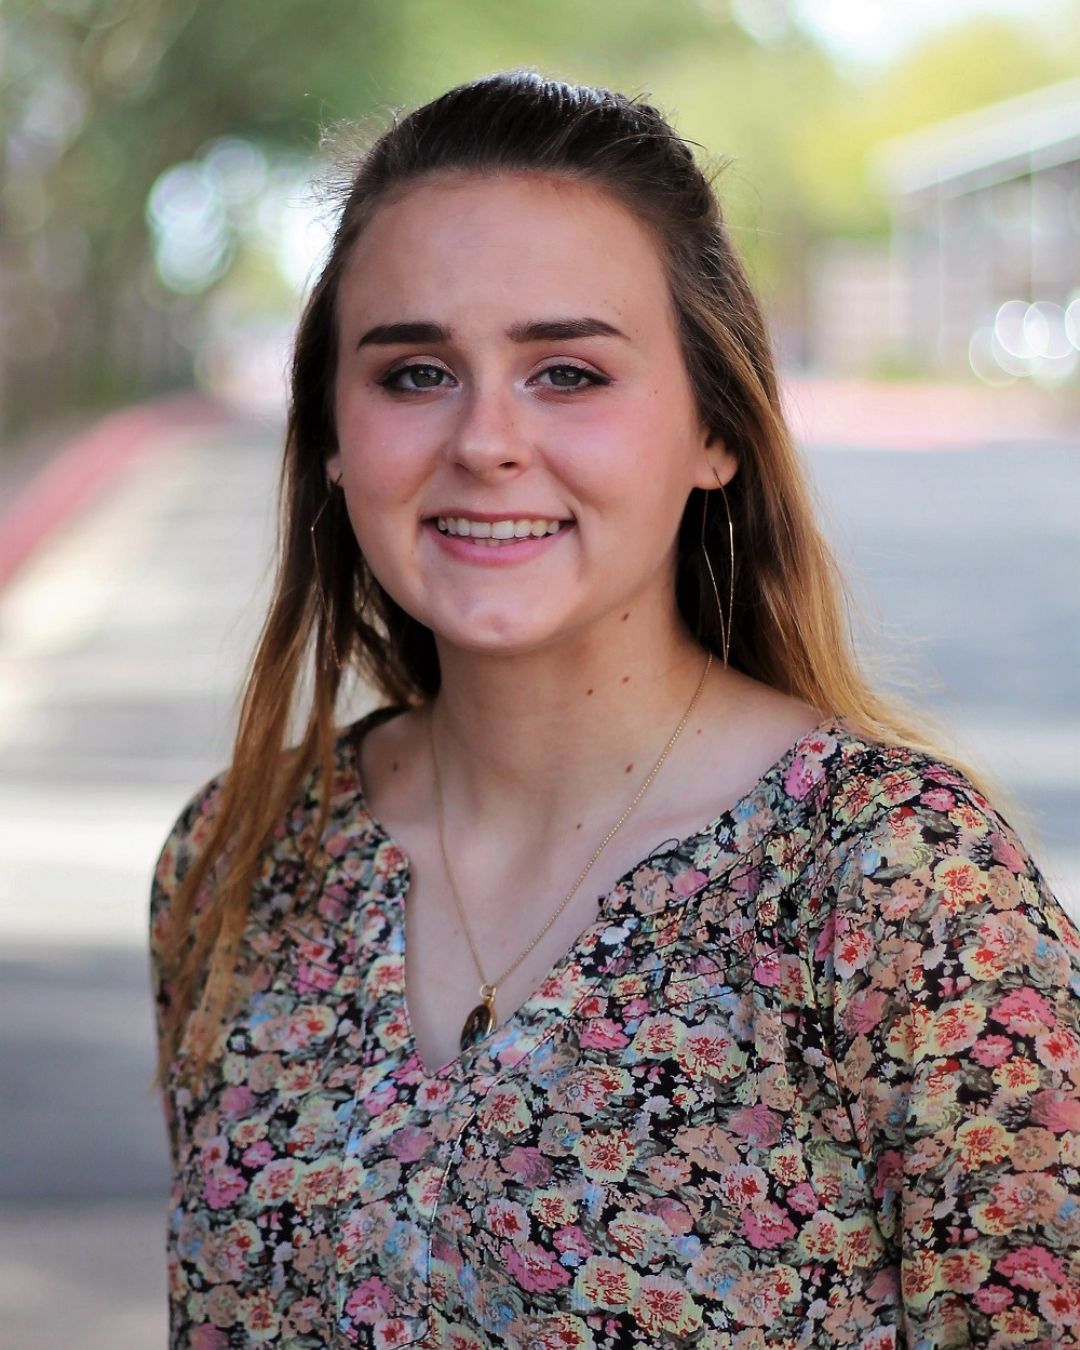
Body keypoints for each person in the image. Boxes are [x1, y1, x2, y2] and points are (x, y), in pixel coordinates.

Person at [150, 70, 1080, 1349]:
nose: (484, 441)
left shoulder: (896, 882)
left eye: (568, 372)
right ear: (331, 436)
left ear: (715, 432)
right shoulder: (242, 860)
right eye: (414, 373)